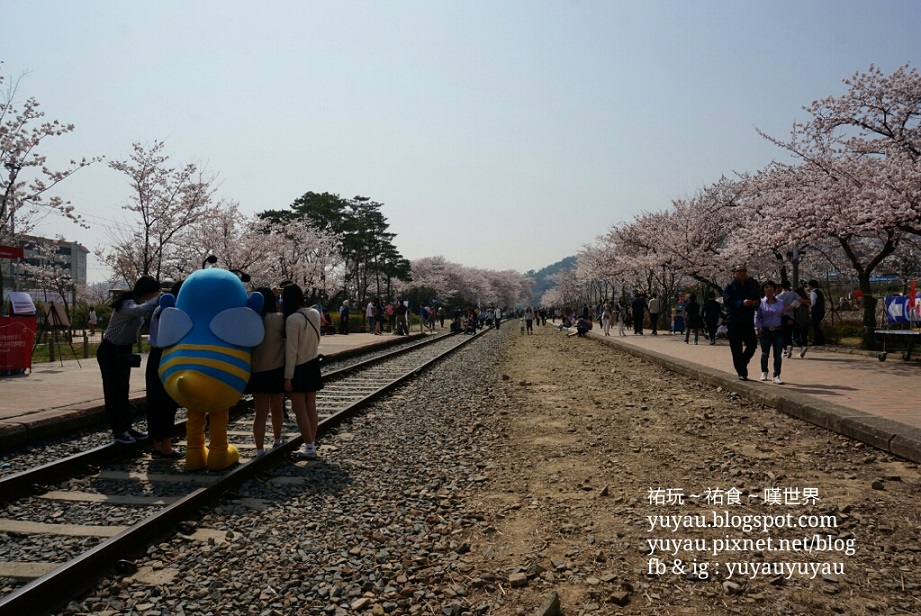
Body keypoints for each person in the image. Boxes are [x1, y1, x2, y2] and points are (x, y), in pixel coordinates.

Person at [97, 275, 161, 444]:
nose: (155, 296)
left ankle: (127, 428)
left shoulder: (136, 303)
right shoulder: (127, 304)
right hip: (110, 350)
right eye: (154, 293)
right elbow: (138, 311)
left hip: (123, 350)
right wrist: (157, 301)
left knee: (123, 390)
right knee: (114, 392)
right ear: (147, 292)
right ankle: (118, 431)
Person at [283, 284, 324, 460]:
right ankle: (310, 442)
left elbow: (291, 351)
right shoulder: (314, 313)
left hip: (298, 367)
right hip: (313, 363)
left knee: (299, 409)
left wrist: (288, 376)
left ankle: (309, 447)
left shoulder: (292, 319)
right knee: (311, 407)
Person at [247, 287, 286, 459]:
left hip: (256, 371)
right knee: (277, 408)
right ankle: (277, 439)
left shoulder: (251, 318)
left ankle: (259, 449)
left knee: (260, 412)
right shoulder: (279, 318)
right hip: (276, 369)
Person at [146, 280, 183, 458]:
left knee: (154, 402)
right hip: (167, 356)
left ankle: (157, 445)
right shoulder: (172, 311)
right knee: (168, 402)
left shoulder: (159, 308)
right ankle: (167, 447)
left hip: (154, 356)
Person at [722, 264, 761, 381]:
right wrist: (741, 303)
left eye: (744, 270)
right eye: (740, 271)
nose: (743, 273)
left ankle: (742, 363)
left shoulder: (751, 285)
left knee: (752, 344)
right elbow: (727, 301)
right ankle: (742, 372)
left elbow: (757, 298)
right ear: (734, 273)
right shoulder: (730, 287)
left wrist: (755, 302)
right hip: (734, 320)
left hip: (748, 320)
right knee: (736, 348)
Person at [755, 280, 785, 384]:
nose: (769, 289)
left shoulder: (780, 303)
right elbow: (757, 316)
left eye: (771, 287)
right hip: (765, 330)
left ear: (775, 289)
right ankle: (764, 371)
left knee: (777, 354)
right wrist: (756, 328)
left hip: (778, 330)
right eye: (766, 287)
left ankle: (776, 375)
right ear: (763, 290)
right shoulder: (761, 302)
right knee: (765, 353)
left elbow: (782, 315)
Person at [792, 285, 811, 358]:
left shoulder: (795, 301)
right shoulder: (806, 301)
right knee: (804, 337)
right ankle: (803, 349)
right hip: (806, 320)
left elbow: (791, 308)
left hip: (798, 321)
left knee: (795, 337)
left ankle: (802, 347)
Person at [807, 279, 826, 346]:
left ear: (811, 286)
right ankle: (821, 340)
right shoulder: (820, 292)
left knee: (815, 327)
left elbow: (813, 303)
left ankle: (818, 341)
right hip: (821, 311)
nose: (808, 287)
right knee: (817, 326)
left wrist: (807, 304)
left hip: (816, 312)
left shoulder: (813, 293)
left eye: (808, 285)